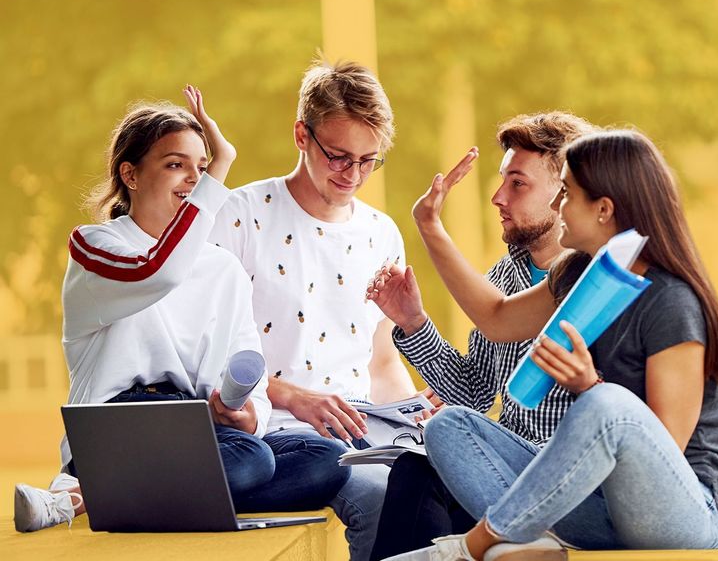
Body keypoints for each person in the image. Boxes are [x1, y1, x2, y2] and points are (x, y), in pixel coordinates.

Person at [369, 130, 718, 560]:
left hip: (681, 511)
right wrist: (430, 226)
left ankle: (474, 546)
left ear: (603, 210)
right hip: (598, 508)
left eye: (565, 194)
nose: (556, 206)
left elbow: (663, 447)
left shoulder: (671, 301)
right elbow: (495, 317)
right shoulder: (578, 276)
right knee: (448, 425)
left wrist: (589, 388)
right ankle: (530, 545)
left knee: (606, 405)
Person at [14, 87, 349, 533]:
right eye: (176, 165)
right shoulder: (96, 246)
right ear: (130, 176)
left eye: (203, 168)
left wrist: (248, 414)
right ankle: (107, 484)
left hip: (198, 428)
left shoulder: (223, 269)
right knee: (250, 461)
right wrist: (222, 166)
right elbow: (157, 272)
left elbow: (249, 372)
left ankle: (91, 496)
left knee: (327, 460)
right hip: (115, 426)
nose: (195, 180)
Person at [208, 60, 419, 561]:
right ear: (302, 134)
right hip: (274, 431)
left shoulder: (381, 233)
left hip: (367, 429)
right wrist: (297, 397)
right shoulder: (239, 216)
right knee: (381, 498)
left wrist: (414, 414)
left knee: (449, 485)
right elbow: (208, 357)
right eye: (340, 157)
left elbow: (381, 360)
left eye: (370, 161)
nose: (354, 174)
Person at [368, 112, 598, 560]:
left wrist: (431, 226)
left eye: (518, 184)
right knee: (416, 473)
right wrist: (414, 323)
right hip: (501, 472)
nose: (498, 197)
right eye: (501, 182)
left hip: (568, 485)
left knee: (426, 476)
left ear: (564, 190)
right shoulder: (503, 276)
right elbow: (473, 391)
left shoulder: (598, 279)